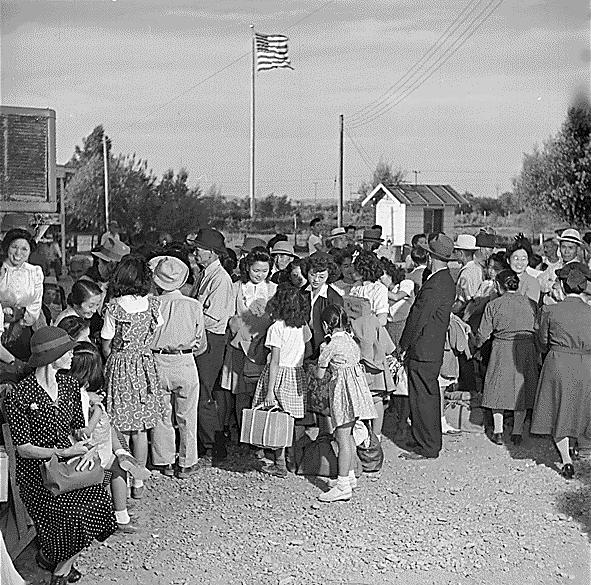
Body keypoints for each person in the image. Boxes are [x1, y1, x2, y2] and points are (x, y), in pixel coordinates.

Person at [4, 327, 116, 584]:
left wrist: (87, 449)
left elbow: (78, 429)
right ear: (52, 356)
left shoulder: (69, 385)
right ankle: (56, 561)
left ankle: (59, 568)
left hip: (69, 468)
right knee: (68, 520)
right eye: (68, 351)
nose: (73, 356)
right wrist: (64, 452)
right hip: (37, 475)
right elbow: (23, 448)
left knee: (98, 506)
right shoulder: (20, 395)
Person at [101, 255, 165, 499]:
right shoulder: (153, 304)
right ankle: (139, 481)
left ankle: (122, 481)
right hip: (144, 364)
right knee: (140, 429)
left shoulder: (114, 307)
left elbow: (107, 340)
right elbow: (156, 330)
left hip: (120, 364)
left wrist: (113, 356)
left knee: (120, 427)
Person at [68, 341, 147, 533]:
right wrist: (98, 410)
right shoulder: (82, 398)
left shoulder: (73, 392)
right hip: (90, 452)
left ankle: (117, 511)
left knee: (117, 465)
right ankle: (120, 515)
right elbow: (84, 430)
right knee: (118, 470)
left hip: (96, 448)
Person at [530, 263, 591, 479]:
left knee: (559, 407)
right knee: (579, 404)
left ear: (563, 286)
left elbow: (542, 340)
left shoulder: (550, 310)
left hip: (558, 361)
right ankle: (576, 444)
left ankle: (565, 458)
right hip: (585, 363)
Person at [398, 233, 456, 460]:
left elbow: (417, 317)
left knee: (423, 397)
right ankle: (424, 438)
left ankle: (428, 445)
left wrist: (403, 345)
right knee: (425, 395)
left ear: (432, 256)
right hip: (431, 347)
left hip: (424, 349)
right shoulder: (444, 279)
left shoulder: (435, 284)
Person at [149, 256, 207, 479]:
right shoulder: (194, 306)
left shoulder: (152, 304)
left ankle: (164, 461)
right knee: (187, 415)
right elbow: (200, 341)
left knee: (162, 415)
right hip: (184, 361)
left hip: (157, 361)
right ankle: (186, 462)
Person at [316, 305, 376, 502]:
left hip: (342, 394)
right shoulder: (351, 341)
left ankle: (342, 486)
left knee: (342, 438)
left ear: (326, 325)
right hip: (357, 394)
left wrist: (322, 354)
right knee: (348, 435)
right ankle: (349, 477)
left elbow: (320, 374)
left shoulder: (330, 345)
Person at [251, 284, 311, 478]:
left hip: (279, 375)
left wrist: (269, 391)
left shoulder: (276, 328)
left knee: (278, 419)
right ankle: (293, 460)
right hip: (296, 374)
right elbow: (308, 348)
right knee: (292, 420)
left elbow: (275, 361)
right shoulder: (302, 326)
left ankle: (279, 462)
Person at [475, 269, 539, 445]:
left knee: (498, 388)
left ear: (497, 285)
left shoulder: (493, 305)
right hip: (526, 348)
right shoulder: (531, 304)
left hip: (502, 348)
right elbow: (538, 329)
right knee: (522, 389)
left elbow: (483, 334)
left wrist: (476, 345)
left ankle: (498, 431)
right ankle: (517, 431)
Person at [190, 227, 234, 466]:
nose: (195, 252)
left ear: (212, 252)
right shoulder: (206, 273)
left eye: (200, 248)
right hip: (204, 336)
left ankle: (214, 445)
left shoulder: (221, 280)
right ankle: (206, 440)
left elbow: (214, 316)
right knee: (202, 391)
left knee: (203, 392)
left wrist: (187, 319)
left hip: (212, 339)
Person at [221, 249, 276, 435]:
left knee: (262, 390)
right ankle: (244, 433)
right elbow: (228, 315)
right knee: (241, 392)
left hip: (265, 347)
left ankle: (261, 434)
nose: (260, 275)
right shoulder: (236, 287)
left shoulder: (273, 289)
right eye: (256, 271)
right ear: (247, 268)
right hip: (240, 345)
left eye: (264, 271)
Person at [0, 228, 44, 360]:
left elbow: (36, 302)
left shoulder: (35, 272)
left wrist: (21, 324)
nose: (18, 253)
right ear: (7, 247)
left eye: (24, 249)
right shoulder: (1, 270)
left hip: (24, 329)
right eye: (14, 247)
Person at [349, 250, 389, 327]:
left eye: (356, 270)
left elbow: (382, 319)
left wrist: (364, 327)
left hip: (369, 330)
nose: (353, 273)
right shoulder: (356, 286)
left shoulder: (378, 289)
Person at [452, 234, 484, 317]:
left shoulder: (465, 273)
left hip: (466, 313)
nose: (454, 254)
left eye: (456, 251)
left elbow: (461, 302)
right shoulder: (478, 268)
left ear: (461, 253)